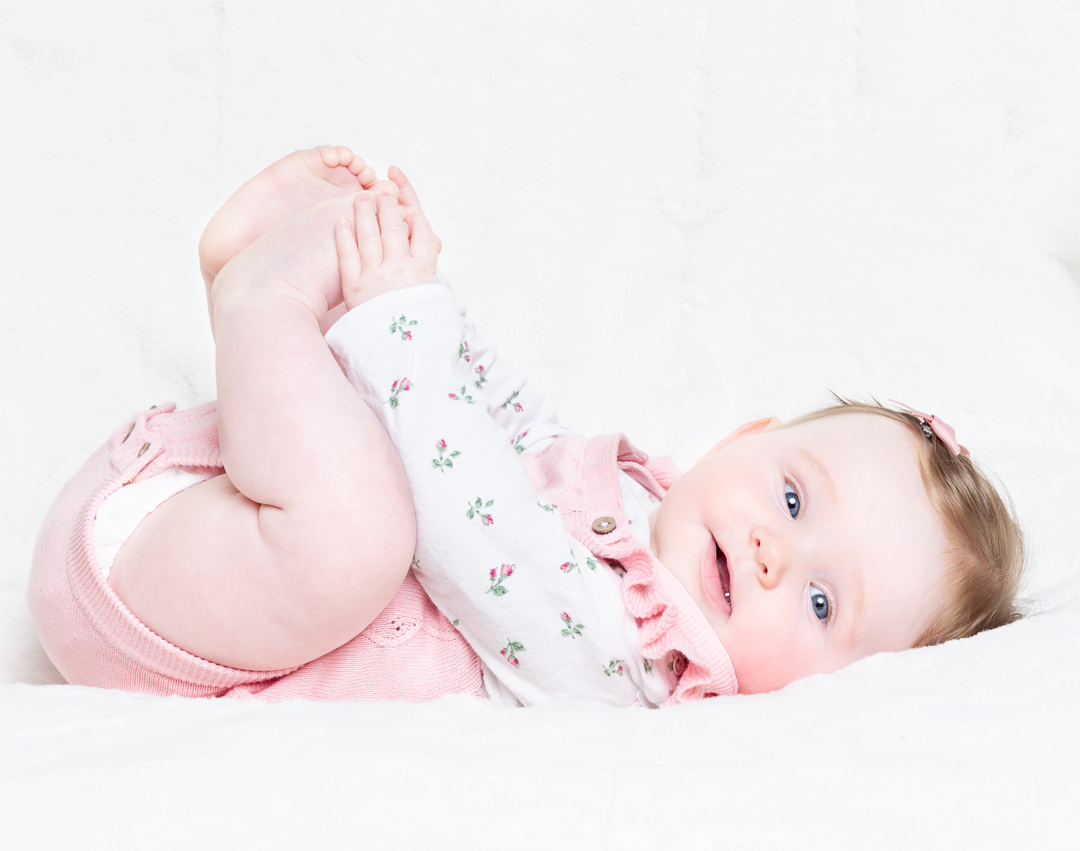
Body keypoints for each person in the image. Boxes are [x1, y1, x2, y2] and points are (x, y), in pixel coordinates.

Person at [28, 146, 1026, 706]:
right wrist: (418, 294)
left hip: (162, 619)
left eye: (819, 604)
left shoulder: (643, 668)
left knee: (364, 534)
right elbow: (507, 430)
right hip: (193, 505)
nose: (774, 551)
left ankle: (259, 301)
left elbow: (473, 526)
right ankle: (276, 287)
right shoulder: (636, 506)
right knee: (369, 459)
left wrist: (402, 322)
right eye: (796, 496)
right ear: (739, 440)